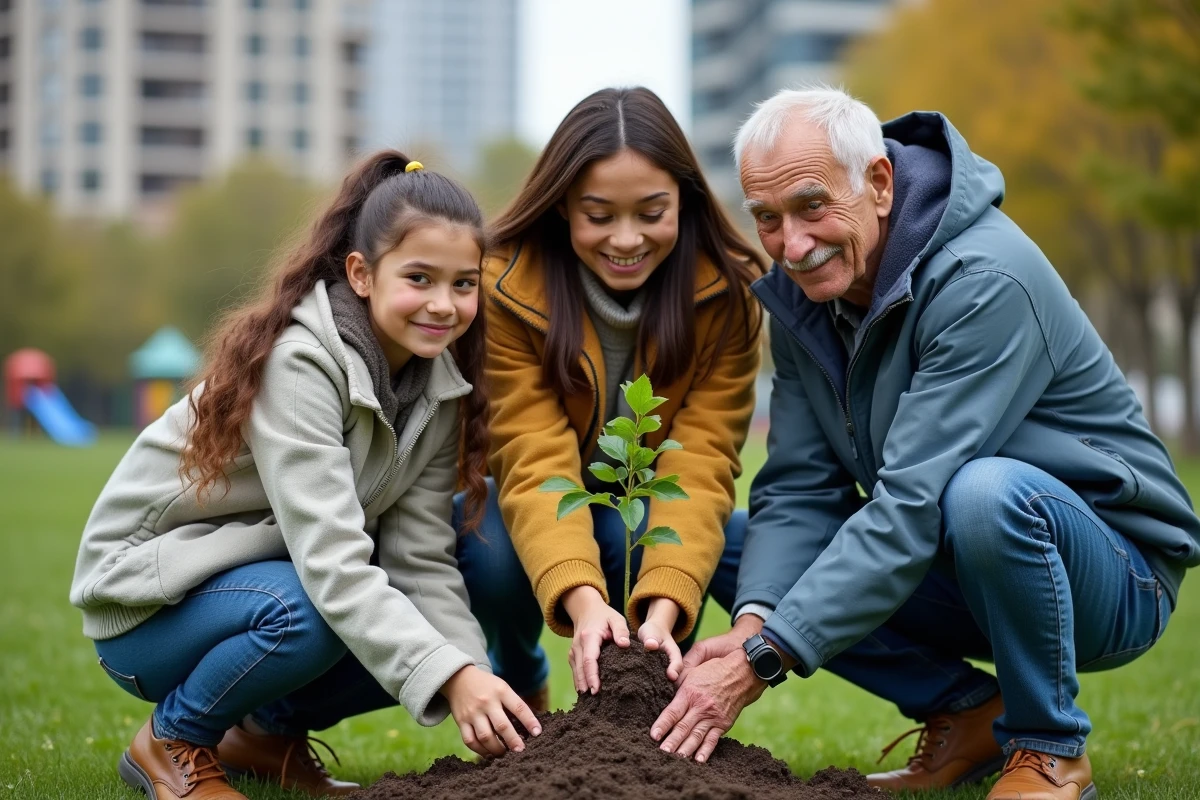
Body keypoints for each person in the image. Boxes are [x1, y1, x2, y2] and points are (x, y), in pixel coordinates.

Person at [650, 87, 1200, 800]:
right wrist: (756, 619)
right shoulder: (805, 297)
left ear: (878, 184)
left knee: (985, 493)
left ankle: (1048, 750)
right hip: (960, 560)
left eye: (812, 206)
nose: (792, 244)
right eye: (767, 219)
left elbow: (910, 501)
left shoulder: (985, 279)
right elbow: (797, 490)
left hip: (1111, 574)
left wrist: (762, 658)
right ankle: (968, 715)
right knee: (727, 544)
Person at [69, 152, 541, 800]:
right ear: (362, 274)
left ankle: (267, 737)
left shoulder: (437, 387)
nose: (444, 304)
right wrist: (456, 676)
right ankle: (172, 738)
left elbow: (422, 561)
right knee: (311, 608)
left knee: (450, 589)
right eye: (420, 278)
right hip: (147, 605)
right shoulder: (301, 365)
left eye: (463, 283)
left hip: (266, 583)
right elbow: (333, 566)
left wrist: (464, 671)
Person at [453, 87, 765, 711]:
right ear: (564, 206)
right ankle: (520, 671)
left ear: (685, 200)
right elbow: (532, 454)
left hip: (643, 509)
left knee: (706, 540)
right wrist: (583, 597)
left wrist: (667, 600)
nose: (626, 239)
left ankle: (650, 699)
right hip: (527, 506)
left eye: (652, 213)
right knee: (487, 556)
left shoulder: (728, 295)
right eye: (600, 215)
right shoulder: (505, 287)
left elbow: (699, 464)